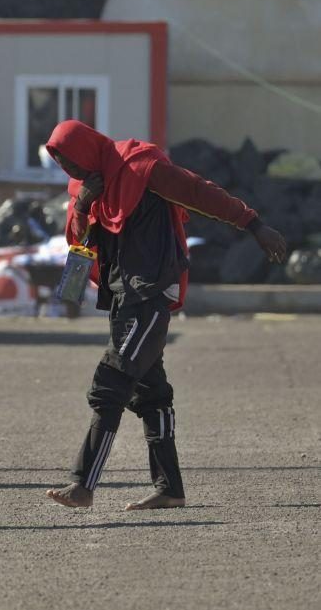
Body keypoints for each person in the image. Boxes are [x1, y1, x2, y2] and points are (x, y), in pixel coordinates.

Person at [43, 120, 286, 510]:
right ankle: (170, 490)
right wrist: (85, 204)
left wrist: (253, 224)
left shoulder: (141, 167)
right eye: (63, 164)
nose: (70, 172)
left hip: (153, 294)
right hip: (122, 299)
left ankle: (82, 484)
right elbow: (79, 245)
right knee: (151, 394)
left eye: (72, 162)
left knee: (111, 382)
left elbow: (198, 192)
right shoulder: (86, 188)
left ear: (87, 150)